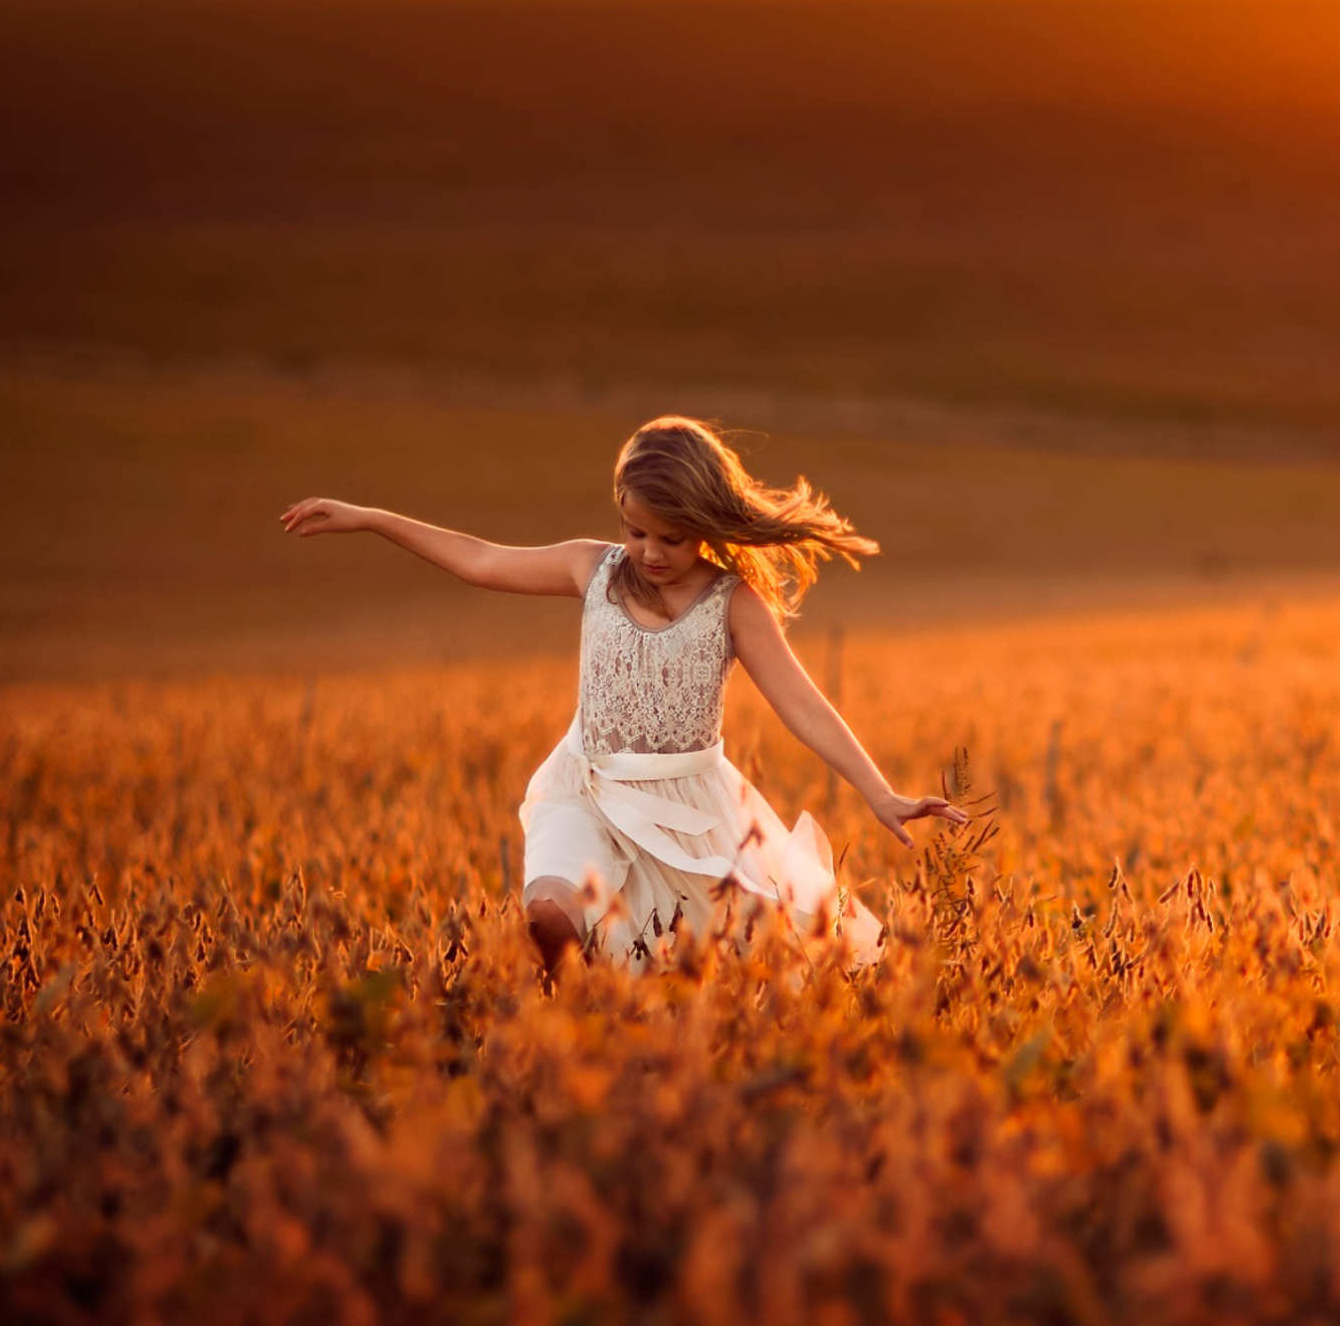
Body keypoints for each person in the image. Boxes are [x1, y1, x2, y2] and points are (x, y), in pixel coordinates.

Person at [279, 416, 961, 974]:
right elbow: (479, 559)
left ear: (708, 524)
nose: (651, 552)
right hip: (587, 788)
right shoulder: (591, 569)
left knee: (736, 969)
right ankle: (555, 1022)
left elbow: (805, 705)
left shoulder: (733, 603)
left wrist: (881, 794)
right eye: (636, 532)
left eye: (674, 537)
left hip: (687, 812)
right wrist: (369, 517)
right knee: (549, 917)